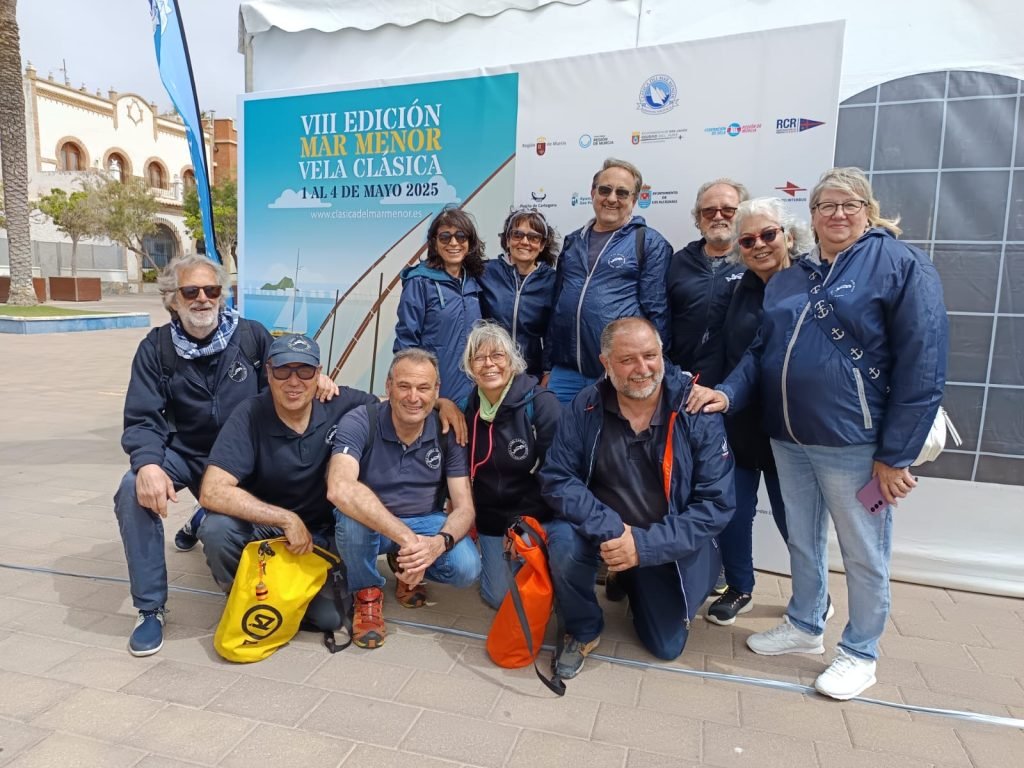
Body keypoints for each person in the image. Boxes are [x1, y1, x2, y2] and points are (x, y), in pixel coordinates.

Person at [688, 168, 948, 700]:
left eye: (848, 204)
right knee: (803, 541)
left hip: (855, 441)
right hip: (789, 438)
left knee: (863, 551)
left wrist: (895, 456)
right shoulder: (795, 276)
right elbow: (760, 351)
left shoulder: (899, 263)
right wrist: (729, 394)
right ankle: (805, 625)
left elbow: (924, 363)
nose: (836, 214)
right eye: (825, 205)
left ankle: (861, 652)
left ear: (868, 209)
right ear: (811, 217)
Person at [114, 255, 338, 656]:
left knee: (227, 521)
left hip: (243, 455)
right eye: (191, 291)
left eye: (211, 290)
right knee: (133, 488)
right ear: (173, 299)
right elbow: (142, 418)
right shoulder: (156, 349)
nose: (202, 298)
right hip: (186, 452)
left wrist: (317, 378)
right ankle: (150, 609)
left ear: (223, 294)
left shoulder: (251, 336)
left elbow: (288, 369)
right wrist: (147, 462)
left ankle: (213, 531)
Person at [540, 318, 735, 678]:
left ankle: (626, 575)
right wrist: (613, 531)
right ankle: (582, 628)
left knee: (666, 646)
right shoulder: (587, 404)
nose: (642, 369)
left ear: (663, 355)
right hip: (604, 531)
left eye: (650, 356)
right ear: (606, 363)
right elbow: (557, 477)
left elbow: (715, 506)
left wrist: (642, 547)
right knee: (563, 542)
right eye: (628, 359)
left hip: (663, 542)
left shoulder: (695, 410)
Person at [197, 334, 378, 629]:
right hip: (267, 528)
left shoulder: (339, 402)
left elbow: (397, 406)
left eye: (304, 371)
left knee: (329, 620)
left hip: (322, 533)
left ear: (319, 374)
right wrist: (285, 519)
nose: (294, 381)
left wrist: (441, 405)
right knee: (216, 528)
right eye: (283, 370)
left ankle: (283, 593)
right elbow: (212, 490)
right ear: (269, 372)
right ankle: (242, 593)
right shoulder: (250, 413)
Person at [703, 197, 814, 626]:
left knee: (796, 521)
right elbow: (737, 352)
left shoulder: (811, 280)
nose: (759, 246)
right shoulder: (741, 287)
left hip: (794, 427)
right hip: (742, 422)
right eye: (748, 241)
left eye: (768, 235)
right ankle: (739, 587)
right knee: (732, 509)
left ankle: (811, 598)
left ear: (788, 235)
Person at [327, 349, 482, 649]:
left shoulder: (446, 430)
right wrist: (409, 539)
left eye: (424, 388)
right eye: (404, 386)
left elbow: (464, 507)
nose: (414, 397)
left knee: (467, 568)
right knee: (350, 518)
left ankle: (406, 564)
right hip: (373, 524)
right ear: (388, 387)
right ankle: (367, 593)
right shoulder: (361, 422)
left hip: (425, 520)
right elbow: (339, 487)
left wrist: (437, 544)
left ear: (437, 391)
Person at [544, 158, 672, 404]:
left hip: (616, 374)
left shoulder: (648, 242)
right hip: (565, 373)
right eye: (605, 190)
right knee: (559, 439)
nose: (612, 198)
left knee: (607, 441)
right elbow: (558, 306)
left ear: (634, 201)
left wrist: (653, 373)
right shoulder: (573, 242)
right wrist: (548, 366)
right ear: (593, 193)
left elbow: (657, 313)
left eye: (622, 193)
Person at [459, 321, 560, 608]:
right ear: (470, 366)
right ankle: (491, 555)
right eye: (479, 358)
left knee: (535, 594)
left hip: (534, 514)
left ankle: (548, 563)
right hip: (491, 518)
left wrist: (520, 526)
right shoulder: (469, 408)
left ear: (512, 361)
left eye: (497, 356)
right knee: (498, 598)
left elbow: (557, 473)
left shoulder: (541, 404)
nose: (488, 364)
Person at [395, 207, 484, 403]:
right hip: (435, 392)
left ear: (469, 243)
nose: (454, 243)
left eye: (461, 236)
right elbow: (406, 341)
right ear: (434, 243)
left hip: (473, 391)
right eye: (445, 237)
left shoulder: (475, 282)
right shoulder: (420, 281)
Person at [667, 179, 749, 386]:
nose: (718, 216)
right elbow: (660, 319)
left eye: (728, 210)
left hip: (738, 385)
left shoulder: (756, 261)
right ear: (699, 218)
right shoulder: (677, 262)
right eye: (709, 211)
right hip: (682, 381)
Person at [478, 208, 559, 377]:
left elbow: (554, 332)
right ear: (507, 240)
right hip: (489, 368)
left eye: (533, 237)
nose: (524, 241)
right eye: (517, 235)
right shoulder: (485, 272)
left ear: (542, 245)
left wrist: (547, 371)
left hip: (530, 372)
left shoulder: (552, 280)